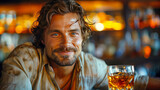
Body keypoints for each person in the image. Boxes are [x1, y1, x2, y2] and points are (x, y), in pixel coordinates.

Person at [0, 0, 160, 90]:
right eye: (55, 34)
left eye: (73, 33)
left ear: (83, 37)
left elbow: (135, 82)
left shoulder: (90, 66)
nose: (66, 44)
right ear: (42, 38)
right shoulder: (25, 60)